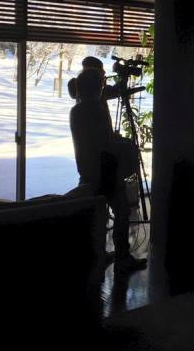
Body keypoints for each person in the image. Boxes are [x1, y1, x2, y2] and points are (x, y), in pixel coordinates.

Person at [69, 68, 146, 274]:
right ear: (97, 88)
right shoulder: (97, 110)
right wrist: (125, 143)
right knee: (122, 211)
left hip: (86, 169)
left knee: (98, 214)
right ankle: (123, 257)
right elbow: (106, 143)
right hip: (106, 170)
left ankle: (99, 254)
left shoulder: (76, 111)